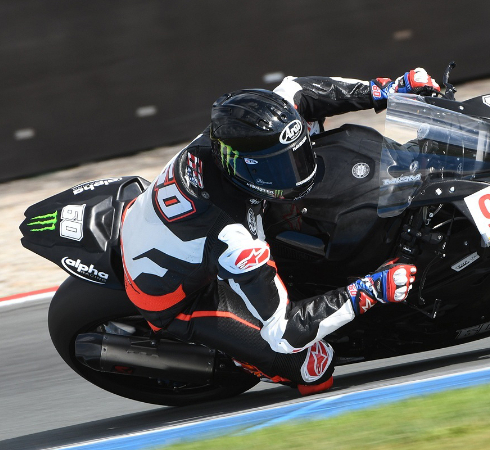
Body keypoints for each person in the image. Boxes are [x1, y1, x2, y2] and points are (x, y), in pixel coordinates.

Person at [119, 69, 441, 395]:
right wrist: (369, 291)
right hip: (175, 295)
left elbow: (298, 89)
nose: (297, 169)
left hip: (162, 224)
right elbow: (285, 332)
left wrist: (384, 90)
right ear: (247, 170)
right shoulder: (234, 237)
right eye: (280, 167)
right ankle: (243, 360)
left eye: (297, 156)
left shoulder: (236, 136)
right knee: (315, 367)